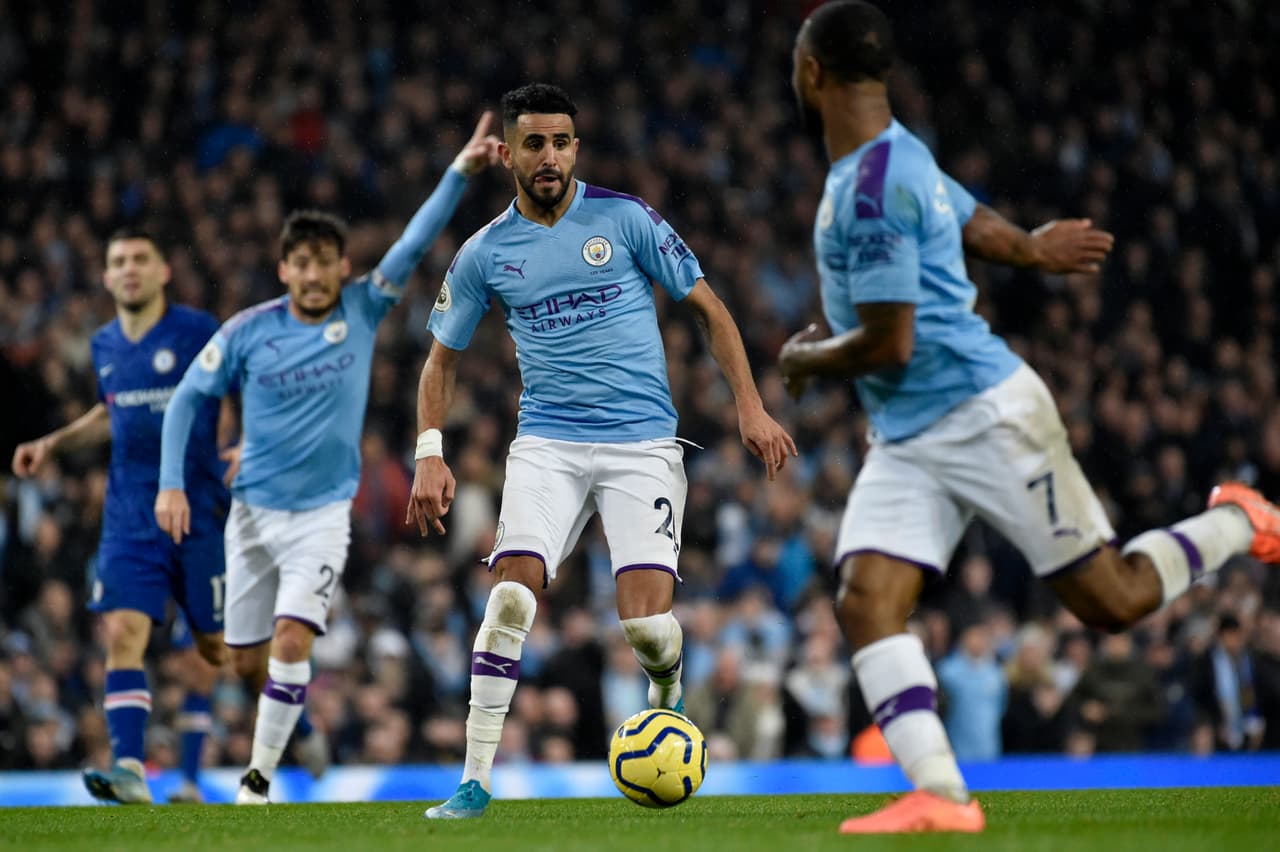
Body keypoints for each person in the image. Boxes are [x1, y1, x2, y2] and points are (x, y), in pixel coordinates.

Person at [781, 0, 1279, 834]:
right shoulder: (897, 158)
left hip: (983, 415)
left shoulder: (869, 186)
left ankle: (1237, 520)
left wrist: (805, 359)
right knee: (867, 598)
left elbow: (891, 341)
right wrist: (1032, 247)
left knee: (1111, 601)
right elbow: (967, 217)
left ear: (810, 73)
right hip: (909, 435)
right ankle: (941, 795)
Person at [408, 83, 796, 819]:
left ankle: (666, 688)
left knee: (647, 629)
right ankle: (473, 781)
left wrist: (749, 404)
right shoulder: (485, 253)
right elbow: (439, 361)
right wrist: (431, 451)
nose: (548, 156)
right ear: (511, 154)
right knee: (511, 599)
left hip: (642, 444)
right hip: (547, 442)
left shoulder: (625, 219)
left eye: (560, 142)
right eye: (533, 143)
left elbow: (710, 311)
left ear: (575, 148)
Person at [155, 113, 500, 804]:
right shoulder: (247, 330)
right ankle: (302, 731)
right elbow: (187, 399)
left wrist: (461, 172)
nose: (314, 274)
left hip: (321, 516)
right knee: (245, 664)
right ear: (285, 269)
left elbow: (414, 239)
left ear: (342, 266)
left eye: (325, 262)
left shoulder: (363, 309)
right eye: (301, 263)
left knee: (291, 638)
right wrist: (172, 485)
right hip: (250, 514)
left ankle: (257, 783)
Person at [10, 229, 228, 804]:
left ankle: (282, 723)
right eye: (118, 262)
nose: (129, 269)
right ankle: (131, 769)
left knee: (209, 653)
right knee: (123, 631)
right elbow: (114, 413)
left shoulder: (196, 331)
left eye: (140, 259)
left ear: (162, 272)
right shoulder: (105, 345)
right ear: (106, 277)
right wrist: (53, 443)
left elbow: (234, 395)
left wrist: (246, 448)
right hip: (131, 513)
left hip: (199, 508)